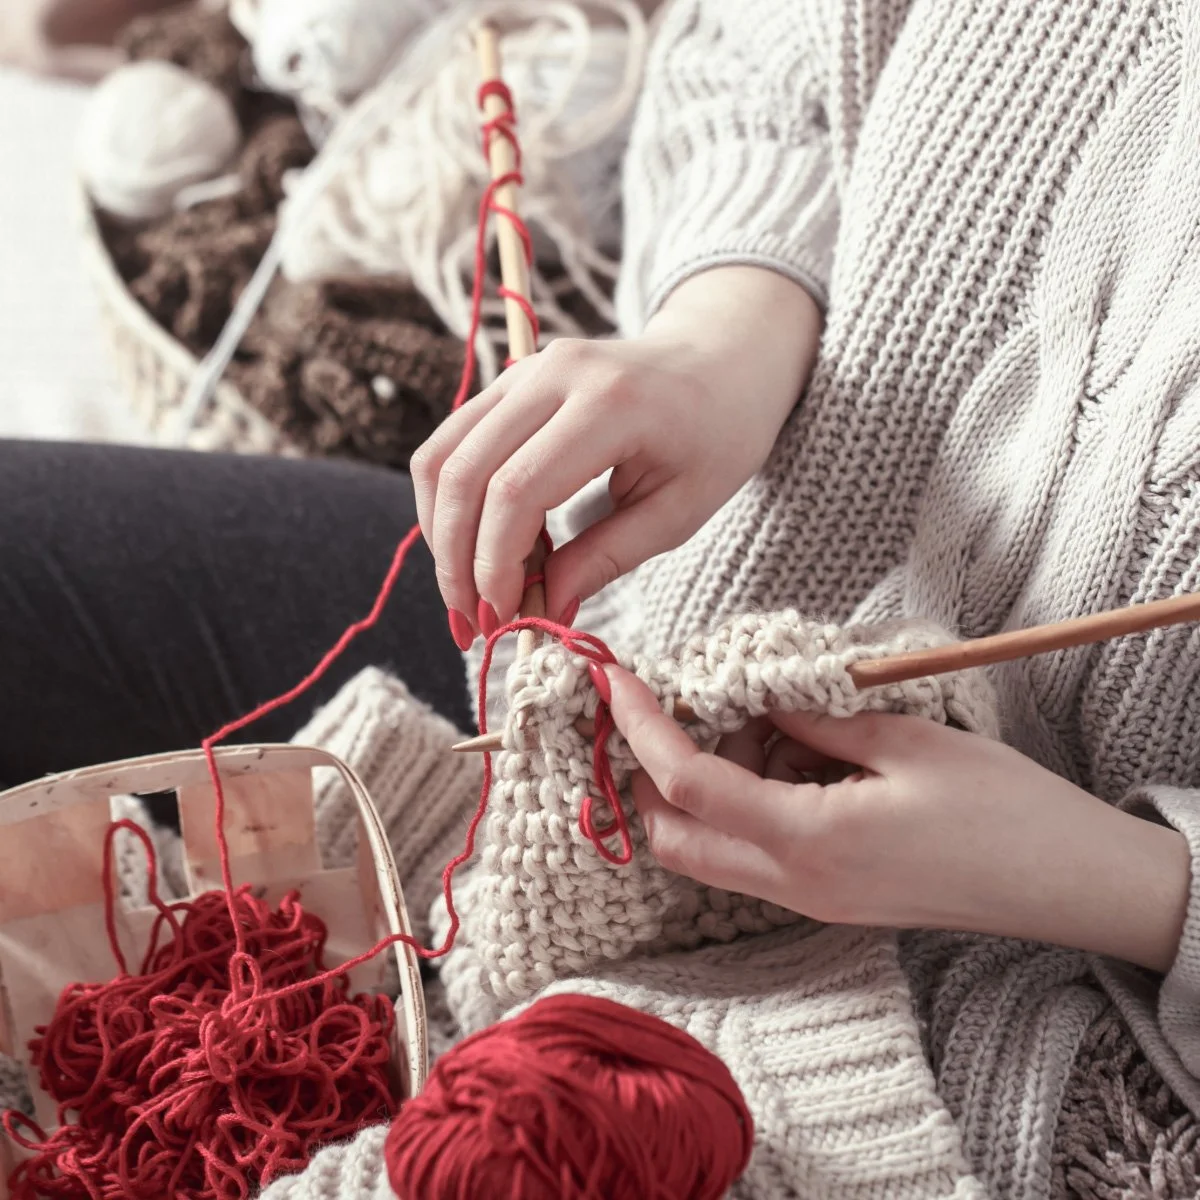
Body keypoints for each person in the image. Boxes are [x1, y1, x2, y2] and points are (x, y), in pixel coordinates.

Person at [3, 0, 1199, 1191]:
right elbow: (758, 57)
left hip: (1043, 996)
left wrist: (1123, 884)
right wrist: (727, 327)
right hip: (622, 630)